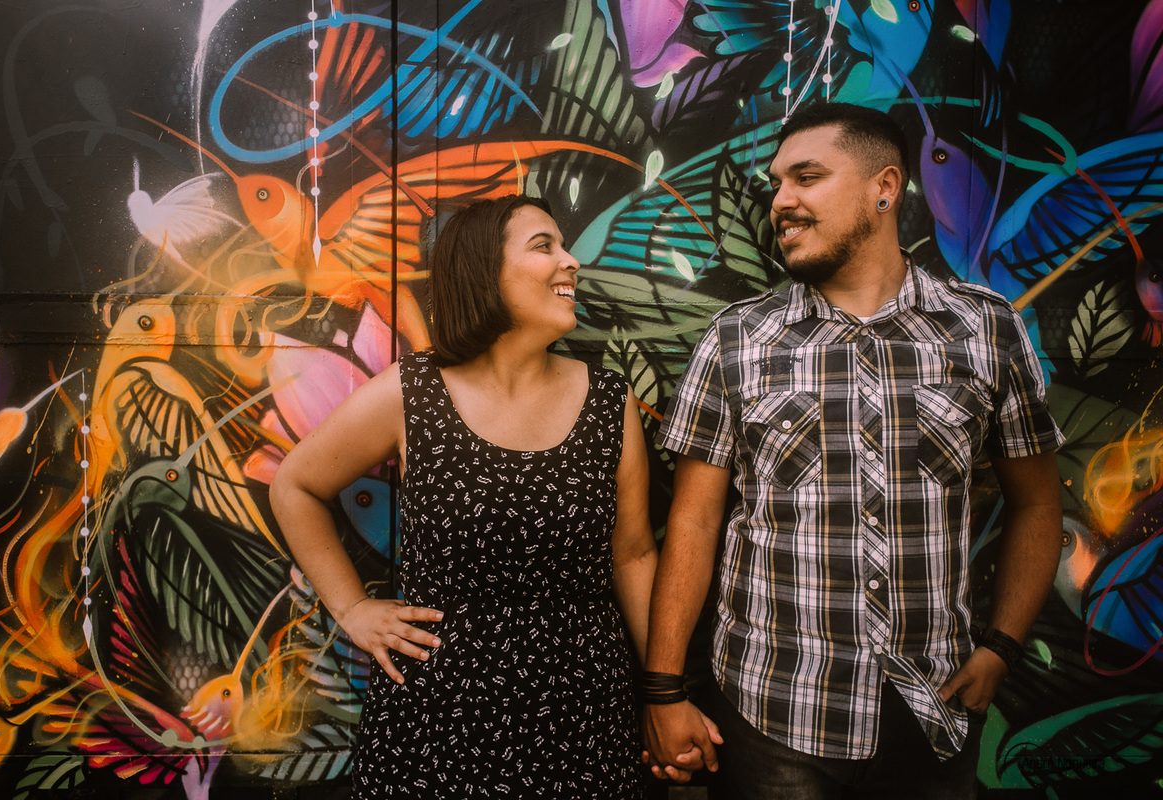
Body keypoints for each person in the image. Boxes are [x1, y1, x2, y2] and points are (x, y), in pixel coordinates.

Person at [641, 102, 1065, 799]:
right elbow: (693, 519)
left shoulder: (985, 331)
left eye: (806, 177)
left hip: (933, 712)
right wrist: (663, 690)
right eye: (777, 184)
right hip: (773, 711)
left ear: (885, 187)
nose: (782, 201)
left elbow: (1038, 503)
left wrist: (1001, 647)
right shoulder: (737, 339)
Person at [269, 195, 656, 798]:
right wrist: (352, 609)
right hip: (436, 720)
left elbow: (632, 554)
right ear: (483, 271)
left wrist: (664, 691)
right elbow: (294, 485)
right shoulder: (412, 393)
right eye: (544, 246)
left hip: (582, 719)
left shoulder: (610, 401)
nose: (571, 261)